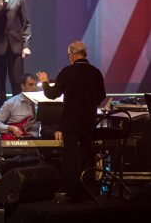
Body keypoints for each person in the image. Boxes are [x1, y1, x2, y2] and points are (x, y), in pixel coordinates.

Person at [36, 40, 106, 202]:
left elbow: (52, 94)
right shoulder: (96, 72)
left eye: (69, 54)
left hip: (70, 123)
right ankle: (89, 189)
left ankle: (74, 192)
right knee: (87, 156)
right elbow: (101, 97)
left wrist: (45, 81)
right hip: (89, 122)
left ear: (73, 54)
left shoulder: (68, 72)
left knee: (71, 159)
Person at [0, 73, 40, 139]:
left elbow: (48, 125)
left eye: (35, 85)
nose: (34, 88)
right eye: (31, 85)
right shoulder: (11, 103)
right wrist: (10, 128)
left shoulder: (40, 103)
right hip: (16, 141)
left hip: (35, 142)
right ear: (23, 86)